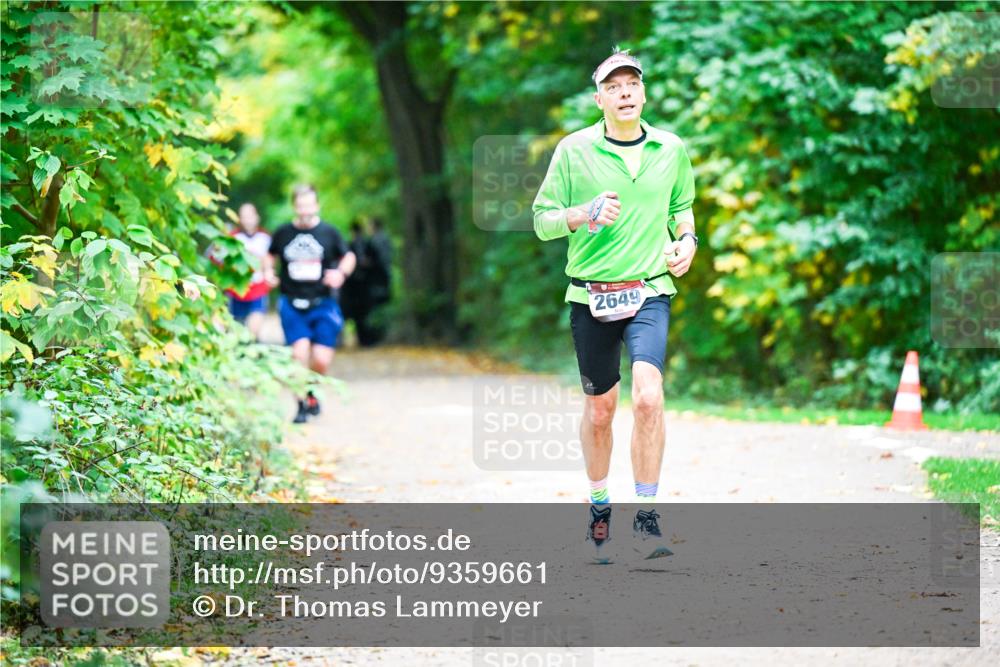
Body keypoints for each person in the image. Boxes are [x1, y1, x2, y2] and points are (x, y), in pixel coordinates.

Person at [532, 49, 698, 562]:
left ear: (643, 93)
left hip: (649, 288)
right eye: (614, 86)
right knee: (600, 411)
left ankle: (647, 519)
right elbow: (542, 220)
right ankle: (600, 509)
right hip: (591, 294)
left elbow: (681, 207)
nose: (625, 93)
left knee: (649, 396)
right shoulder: (573, 150)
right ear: (598, 98)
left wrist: (687, 241)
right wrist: (583, 213)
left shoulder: (671, 149)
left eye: (633, 84)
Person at [264, 184, 356, 423]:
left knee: (321, 359)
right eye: (300, 205)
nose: (305, 210)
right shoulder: (283, 233)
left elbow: (348, 256)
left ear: (316, 206)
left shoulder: (329, 233)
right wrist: (268, 272)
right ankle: (302, 404)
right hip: (292, 303)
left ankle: (312, 391)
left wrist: (341, 275)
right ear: (295, 206)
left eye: (309, 205)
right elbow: (269, 254)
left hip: (323, 303)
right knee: (299, 353)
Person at [225, 203, 271, 341]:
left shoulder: (266, 237)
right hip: (236, 290)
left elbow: (270, 259)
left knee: (253, 330)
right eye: (244, 216)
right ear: (239, 219)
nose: (248, 220)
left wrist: (268, 271)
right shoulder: (232, 238)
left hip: (258, 289)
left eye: (250, 216)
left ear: (257, 217)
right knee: (236, 330)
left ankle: (253, 348)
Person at [340, 221, 373, 346]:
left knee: (358, 315)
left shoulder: (351, 245)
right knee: (361, 315)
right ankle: (363, 340)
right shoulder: (366, 244)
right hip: (358, 287)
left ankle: (363, 340)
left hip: (355, 287)